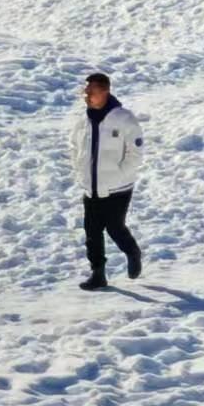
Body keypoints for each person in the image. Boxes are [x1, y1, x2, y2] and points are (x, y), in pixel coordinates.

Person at [71, 72, 144, 290]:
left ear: (105, 91)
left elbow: (135, 152)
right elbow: (75, 147)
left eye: (91, 91)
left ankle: (132, 252)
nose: (86, 95)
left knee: (114, 227)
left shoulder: (124, 119)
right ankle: (98, 274)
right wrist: (79, 171)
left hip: (118, 188)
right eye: (85, 91)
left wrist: (120, 175)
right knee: (92, 232)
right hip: (91, 187)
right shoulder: (84, 120)